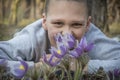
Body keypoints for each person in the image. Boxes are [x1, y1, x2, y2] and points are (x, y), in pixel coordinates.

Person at [0, 0, 120, 76]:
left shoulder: (92, 37)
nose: (67, 35)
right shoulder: (33, 37)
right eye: (58, 23)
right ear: (44, 21)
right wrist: (37, 67)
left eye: (76, 24)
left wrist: (81, 66)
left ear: (87, 24)